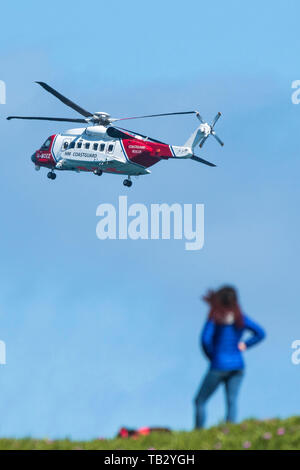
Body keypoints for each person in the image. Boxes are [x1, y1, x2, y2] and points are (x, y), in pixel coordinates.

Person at [194, 285, 265, 428]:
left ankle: (198, 431)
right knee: (232, 400)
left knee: (200, 401)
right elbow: (260, 333)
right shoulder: (240, 318)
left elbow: (205, 340)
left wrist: (212, 356)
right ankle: (230, 429)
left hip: (218, 365)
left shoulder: (215, 319)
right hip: (238, 365)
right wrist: (245, 344)